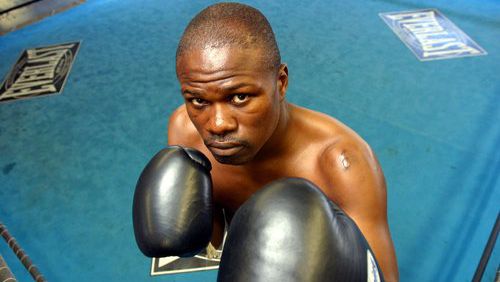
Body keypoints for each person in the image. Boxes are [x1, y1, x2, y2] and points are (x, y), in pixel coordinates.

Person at [134, 2, 398, 281]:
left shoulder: (341, 164)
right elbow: (213, 235)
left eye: (239, 97)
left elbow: (385, 277)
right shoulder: (185, 130)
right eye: (198, 101)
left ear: (281, 82)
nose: (217, 124)